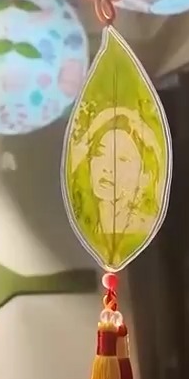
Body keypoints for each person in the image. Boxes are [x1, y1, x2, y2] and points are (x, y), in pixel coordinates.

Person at [66, 107, 165, 265]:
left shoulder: (143, 232)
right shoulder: (83, 227)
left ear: (145, 176)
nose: (107, 167)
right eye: (100, 153)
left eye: (122, 159)